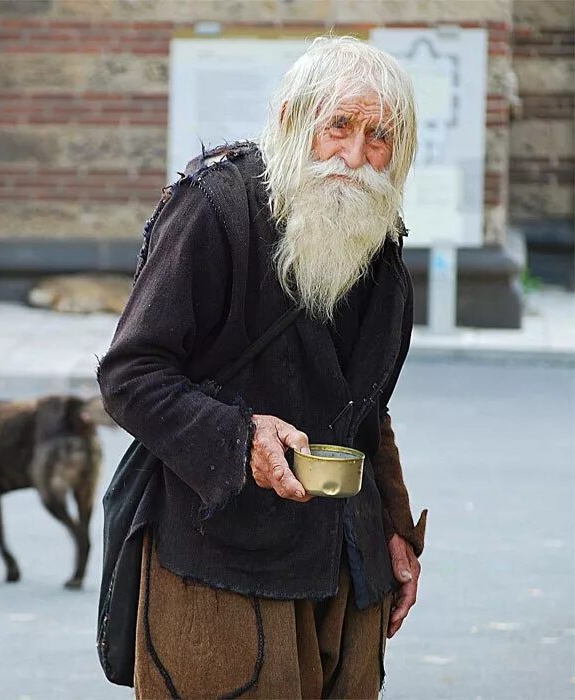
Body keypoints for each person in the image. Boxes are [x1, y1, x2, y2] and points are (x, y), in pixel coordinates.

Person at [96, 36, 428, 699]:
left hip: (344, 566)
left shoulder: (377, 234)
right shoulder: (214, 207)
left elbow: (366, 406)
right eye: (338, 126)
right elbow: (131, 375)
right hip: (221, 566)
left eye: (379, 136)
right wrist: (241, 436)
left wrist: (393, 529)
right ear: (291, 121)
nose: (356, 157)